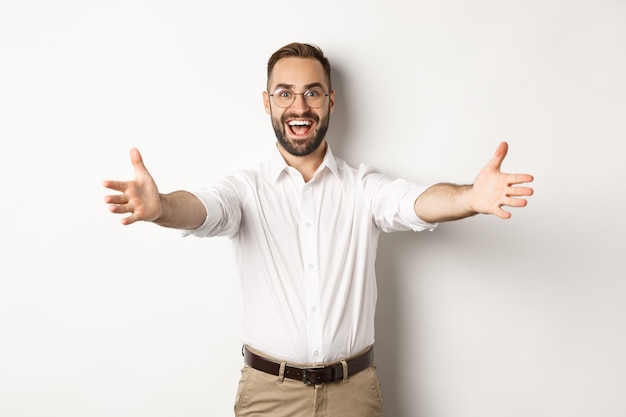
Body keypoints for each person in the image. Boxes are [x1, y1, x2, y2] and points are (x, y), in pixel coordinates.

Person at [103, 42, 534, 417]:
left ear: (330, 100)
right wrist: (161, 208)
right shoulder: (245, 190)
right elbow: (201, 209)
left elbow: (415, 202)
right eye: (285, 93)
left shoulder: (363, 187)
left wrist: (469, 199)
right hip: (268, 397)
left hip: (354, 395)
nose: (299, 107)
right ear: (267, 102)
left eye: (312, 93)